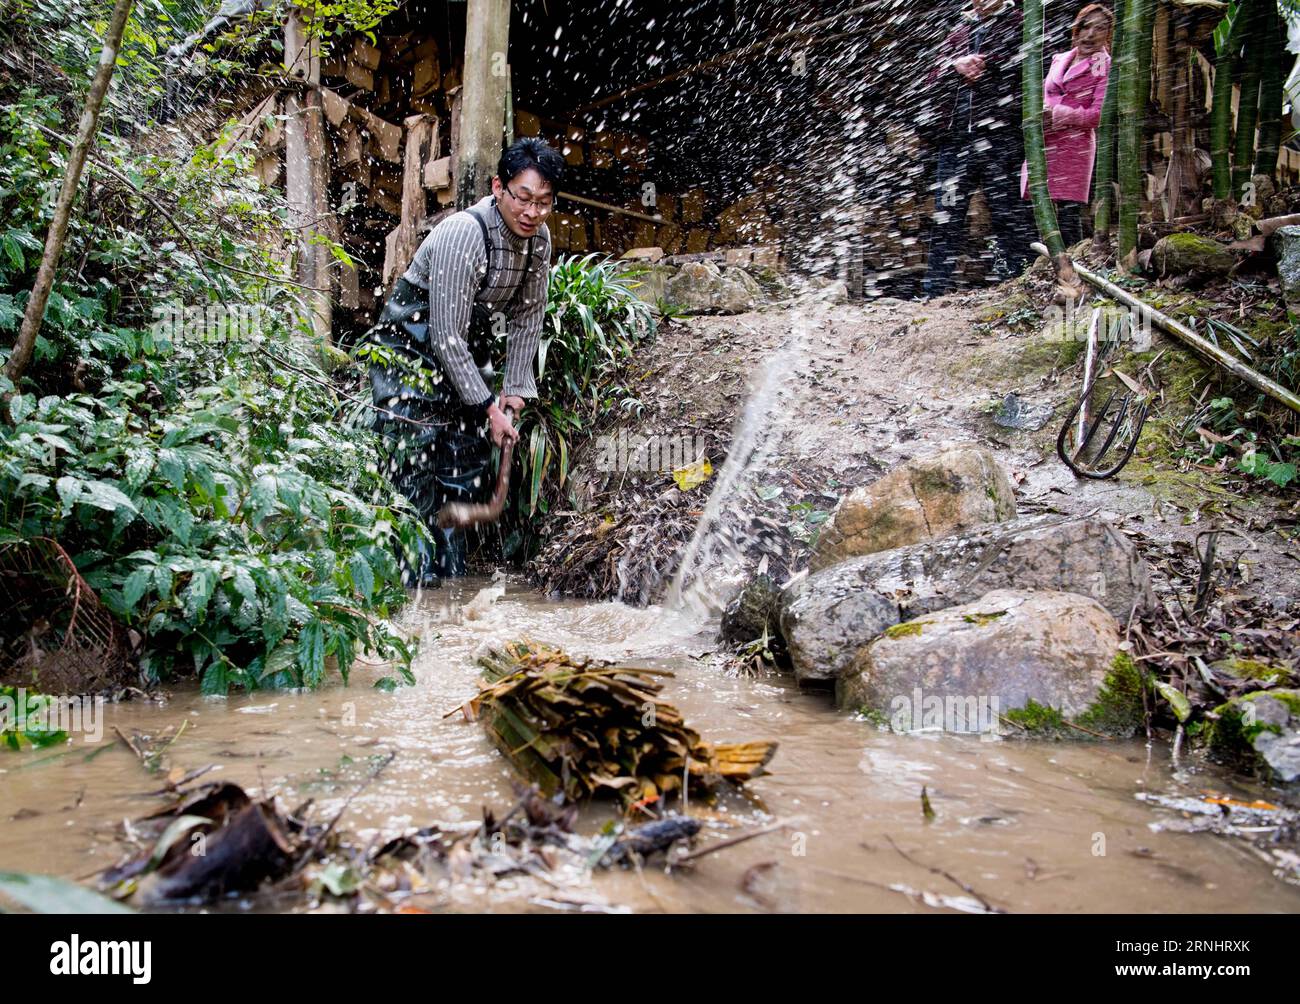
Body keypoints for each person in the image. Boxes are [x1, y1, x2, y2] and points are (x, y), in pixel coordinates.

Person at [366, 137, 563, 585]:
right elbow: (446, 334)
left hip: (465, 353)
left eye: (544, 203)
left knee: (465, 471)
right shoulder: (464, 233)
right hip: (410, 350)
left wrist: (514, 390)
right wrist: (489, 409)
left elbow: (529, 315)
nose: (532, 213)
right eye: (524, 198)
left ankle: (449, 587)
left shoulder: (539, 242)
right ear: (499, 187)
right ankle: (413, 587)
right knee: (412, 471)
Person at [921, 0, 1037, 297]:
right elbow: (931, 78)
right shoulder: (959, 31)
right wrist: (954, 65)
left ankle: (1019, 285)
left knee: (1008, 214)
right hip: (955, 141)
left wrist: (991, 63)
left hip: (1001, 138)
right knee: (946, 214)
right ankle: (935, 291)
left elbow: (1033, 69)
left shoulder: (1019, 22)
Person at [1019, 4, 1114, 248]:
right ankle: (1040, 267)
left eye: (1100, 28)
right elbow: (1043, 94)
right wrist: (1037, 114)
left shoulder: (1104, 65)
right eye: (1085, 26)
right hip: (1043, 139)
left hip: (1073, 147)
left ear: (1108, 34)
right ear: (1076, 28)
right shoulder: (1059, 58)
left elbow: (1098, 115)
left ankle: (1073, 264)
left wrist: (1059, 114)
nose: (1090, 34)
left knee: (1068, 212)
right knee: (1039, 207)